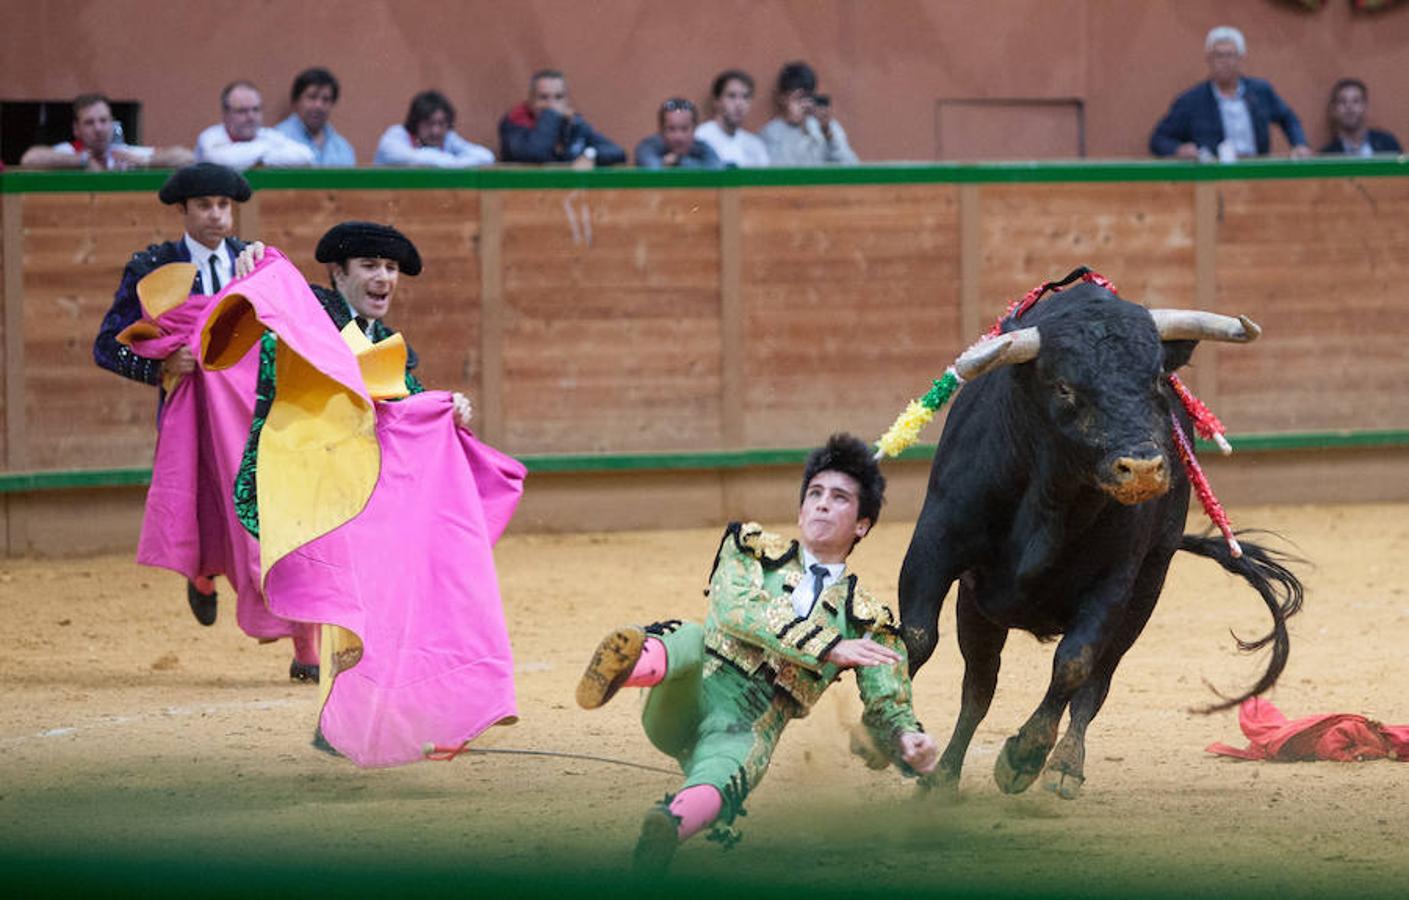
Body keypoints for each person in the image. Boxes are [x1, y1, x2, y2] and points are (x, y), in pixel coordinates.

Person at [207, 225, 523, 767]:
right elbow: (273, 294)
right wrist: (253, 259)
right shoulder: (306, 320)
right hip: (306, 481)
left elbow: (406, 410)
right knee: (358, 596)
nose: (383, 278)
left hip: (359, 492)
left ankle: (352, 722)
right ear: (339, 274)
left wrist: (450, 413)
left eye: (391, 268)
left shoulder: (388, 343)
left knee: (375, 598)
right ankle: (350, 717)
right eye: (370, 265)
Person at [576, 433, 938, 873]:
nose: (822, 504)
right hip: (692, 690)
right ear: (801, 509)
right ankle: (625, 669)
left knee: (733, 770)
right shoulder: (750, 548)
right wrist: (828, 646)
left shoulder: (869, 621)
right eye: (815, 494)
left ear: (862, 524)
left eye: (840, 498)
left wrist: (907, 740)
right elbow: (734, 612)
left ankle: (669, 826)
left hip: (748, 724)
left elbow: (887, 701)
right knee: (689, 637)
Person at [92, 162, 322, 680]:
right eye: (205, 206)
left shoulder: (254, 262)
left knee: (273, 518)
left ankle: (303, 646)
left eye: (224, 205)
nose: (217, 215)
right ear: (182, 211)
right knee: (204, 508)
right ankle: (201, 572)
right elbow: (107, 347)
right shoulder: (152, 265)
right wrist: (160, 364)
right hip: (190, 419)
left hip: (252, 415)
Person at [1149, 26, 1311, 160]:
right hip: (1214, 175)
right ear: (1208, 60)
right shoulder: (1191, 101)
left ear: (1241, 59)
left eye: (1230, 55)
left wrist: (1299, 144)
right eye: (1218, 55)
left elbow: (1288, 118)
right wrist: (1179, 149)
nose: (1225, 62)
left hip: (1257, 171)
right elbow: (1158, 139)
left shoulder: (1260, 91)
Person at [20, 93, 192, 171]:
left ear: (112, 122)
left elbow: (187, 157)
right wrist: (83, 161)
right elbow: (30, 159)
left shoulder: (124, 153)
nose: (98, 128)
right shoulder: (68, 152)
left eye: (104, 120)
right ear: (76, 129)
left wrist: (144, 161)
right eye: (89, 123)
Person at [498, 69, 626, 167]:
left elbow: (617, 152)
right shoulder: (515, 122)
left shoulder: (573, 124)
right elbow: (535, 154)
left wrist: (590, 155)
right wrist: (551, 115)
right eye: (543, 97)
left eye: (558, 97)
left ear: (566, 100)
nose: (551, 104)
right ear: (530, 101)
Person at [195, 80, 316, 171]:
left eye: (256, 109)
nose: (251, 117)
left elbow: (306, 156)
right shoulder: (210, 137)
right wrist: (266, 150)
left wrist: (254, 158)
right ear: (225, 114)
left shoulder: (269, 135)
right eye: (242, 111)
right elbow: (220, 161)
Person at [373, 90, 494, 168]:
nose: (435, 131)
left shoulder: (448, 138)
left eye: (441, 124)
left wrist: (453, 164)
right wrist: (454, 163)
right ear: (415, 122)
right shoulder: (395, 136)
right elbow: (414, 158)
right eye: (428, 123)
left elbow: (486, 157)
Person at [273, 67, 357, 166]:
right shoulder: (277, 141)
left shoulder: (343, 148)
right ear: (296, 102)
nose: (318, 106)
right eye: (312, 97)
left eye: (325, 99)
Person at [694, 70, 769, 168]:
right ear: (717, 101)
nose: (739, 104)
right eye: (732, 96)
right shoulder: (701, 138)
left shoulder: (754, 145)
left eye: (745, 97)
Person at [1319, 78, 1402, 157]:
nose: (1349, 107)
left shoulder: (1387, 144)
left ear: (1365, 107)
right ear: (1334, 110)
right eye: (1342, 101)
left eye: (1356, 101)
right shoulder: (1328, 155)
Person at [634, 98, 723, 169]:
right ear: (661, 130)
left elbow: (716, 168)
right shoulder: (648, 146)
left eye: (684, 129)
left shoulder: (701, 147)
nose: (678, 137)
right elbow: (653, 168)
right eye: (671, 129)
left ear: (694, 129)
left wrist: (678, 161)